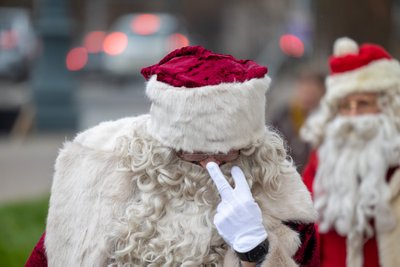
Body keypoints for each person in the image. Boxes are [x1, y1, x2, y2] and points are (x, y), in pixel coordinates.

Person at [26, 46, 318, 266]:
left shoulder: (286, 206)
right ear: (164, 144)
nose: (210, 165)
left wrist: (257, 252)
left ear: (249, 147)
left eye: (225, 152)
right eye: (193, 152)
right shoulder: (98, 173)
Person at [300, 37, 400, 267]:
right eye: (346, 106)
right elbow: (302, 227)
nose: (353, 116)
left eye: (363, 103)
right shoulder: (323, 160)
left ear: (388, 106)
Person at [271, 70, 325, 173]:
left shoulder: (325, 120)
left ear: (321, 93)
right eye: (304, 91)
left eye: (312, 93)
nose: (307, 97)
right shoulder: (282, 116)